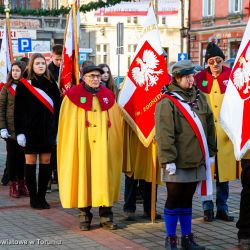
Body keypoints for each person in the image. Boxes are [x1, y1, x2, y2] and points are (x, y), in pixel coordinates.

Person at [155, 60, 216, 250]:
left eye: (193, 76)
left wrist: (211, 151)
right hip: (177, 160)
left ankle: (187, 238)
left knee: (187, 199)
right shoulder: (167, 101)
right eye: (188, 77)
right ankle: (171, 238)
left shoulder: (201, 97)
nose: (192, 80)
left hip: (197, 158)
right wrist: (168, 159)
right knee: (174, 198)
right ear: (177, 78)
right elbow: (164, 133)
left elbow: (210, 126)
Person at [57, 65, 123, 231]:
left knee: (104, 178)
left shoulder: (108, 96)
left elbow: (115, 124)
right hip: (82, 145)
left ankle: (106, 217)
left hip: (103, 147)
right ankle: (84, 217)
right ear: (84, 77)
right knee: (83, 177)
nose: (96, 79)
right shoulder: (72, 97)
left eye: (98, 76)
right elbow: (67, 125)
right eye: (92, 76)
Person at [195, 42, 236, 222]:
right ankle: (207, 208)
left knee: (224, 174)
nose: (215, 64)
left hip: (225, 133)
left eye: (218, 60)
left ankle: (223, 207)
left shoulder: (231, 76)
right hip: (206, 133)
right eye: (211, 61)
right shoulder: (199, 78)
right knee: (207, 174)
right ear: (207, 63)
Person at [14, 53, 61, 209]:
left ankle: (42, 197)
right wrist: (20, 132)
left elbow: (58, 108)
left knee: (46, 163)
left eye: (42, 63)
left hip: (48, 130)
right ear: (31, 66)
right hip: (30, 131)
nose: (41, 66)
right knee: (31, 163)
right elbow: (18, 110)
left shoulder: (51, 83)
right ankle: (33, 198)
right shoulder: (24, 84)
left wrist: (58, 129)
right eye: (37, 63)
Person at [0, 61, 29, 198]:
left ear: (23, 71)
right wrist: (2, 127)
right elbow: (1, 108)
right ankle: (13, 185)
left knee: (23, 159)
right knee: (12, 158)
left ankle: (22, 184)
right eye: (13, 70)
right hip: (10, 131)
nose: (15, 72)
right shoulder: (6, 88)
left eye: (18, 70)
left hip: (24, 129)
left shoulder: (29, 86)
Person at [47, 44, 63, 192]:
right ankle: (49, 177)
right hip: (51, 114)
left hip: (64, 113)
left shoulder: (67, 71)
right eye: (57, 59)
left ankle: (59, 176)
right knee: (51, 146)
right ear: (52, 56)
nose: (59, 62)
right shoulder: (47, 71)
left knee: (62, 147)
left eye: (61, 59)